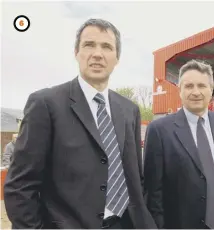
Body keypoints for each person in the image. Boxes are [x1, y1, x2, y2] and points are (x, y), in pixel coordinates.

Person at [4, 18, 156, 229]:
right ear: (76, 52)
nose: (97, 54)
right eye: (89, 45)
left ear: (117, 58)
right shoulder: (46, 104)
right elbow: (20, 186)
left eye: (106, 47)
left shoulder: (129, 110)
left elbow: (135, 178)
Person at [143, 59, 214, 229]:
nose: (195, 92)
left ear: (211, 89)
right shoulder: (159, 130)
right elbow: (153, 192)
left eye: (201, 86)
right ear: (179, 91)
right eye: (188, 86)